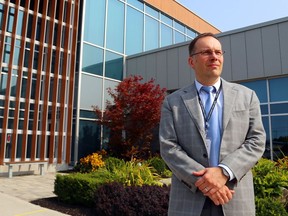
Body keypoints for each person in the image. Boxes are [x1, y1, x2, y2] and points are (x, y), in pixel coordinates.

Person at [159, 32, 266, 216]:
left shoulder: (247, 96)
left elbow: (256, 141)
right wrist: (209, 181)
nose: (214, 56)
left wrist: (224, 172)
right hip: (189, 199)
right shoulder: (173, 101)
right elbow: (168, 147)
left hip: (233, 196)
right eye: (206, 52)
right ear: (191, 62)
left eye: (218, 52)